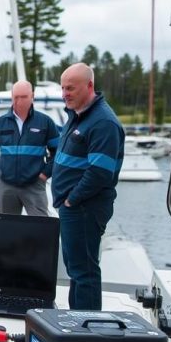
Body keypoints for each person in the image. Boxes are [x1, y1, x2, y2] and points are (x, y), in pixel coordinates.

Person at [51, 63, 124, 310]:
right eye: (63, 88)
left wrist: (72, 199)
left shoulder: (103, 122)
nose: (65, 93)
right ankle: (76, 321)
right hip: (72, 206)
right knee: (75, 268)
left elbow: (100, 173)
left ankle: (87, 329)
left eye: (70, 88)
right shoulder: (77, 116)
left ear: (89, 85)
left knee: (84, 272)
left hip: (84, 207)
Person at [0, 80, 59, 216]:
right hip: (6, 185)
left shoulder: (45, 122)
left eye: (24, 97)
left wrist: (44, 174)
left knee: (39, 226)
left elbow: (58, 151)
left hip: (34, 184)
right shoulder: (0, 123)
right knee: (8, 228)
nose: (19, 101)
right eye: (16, 97)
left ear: (32, 97)